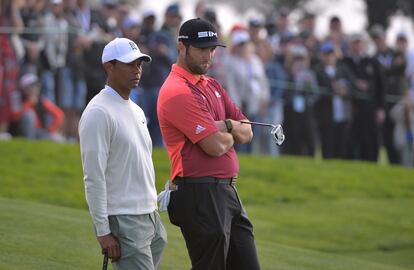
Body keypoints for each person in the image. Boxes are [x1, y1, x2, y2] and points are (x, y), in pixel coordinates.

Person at [158, 18, 261, 270]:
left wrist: (223, 125)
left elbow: (248, 131)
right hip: (199, 192)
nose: (209, 55)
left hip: (226, 192)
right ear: (182, 47)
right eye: (202, 48)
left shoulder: (212, 85)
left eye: (212, 48)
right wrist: (228, 125)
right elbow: (214, 146)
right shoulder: (177, 90)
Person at [79, 37, 167, 270]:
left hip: (150, 215)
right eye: (129, 64)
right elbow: (93, 177)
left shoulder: (136, 109)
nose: (137, 70)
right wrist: (103, 231)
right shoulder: (98, 112)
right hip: (125, 219)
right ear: (109, 66)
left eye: (139, 64)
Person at [11, 73, 64, 141]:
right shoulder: (18, 98)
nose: (36, 88)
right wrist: (29, 103)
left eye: (37, 85)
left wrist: (50, 129)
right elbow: (15, 116)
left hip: (39, 131)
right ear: (24, 89)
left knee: (58, 139)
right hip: (21, 131)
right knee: (29, 114)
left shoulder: (41, 100)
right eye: (32, 86)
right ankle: (30, 141)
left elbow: (59, 114)